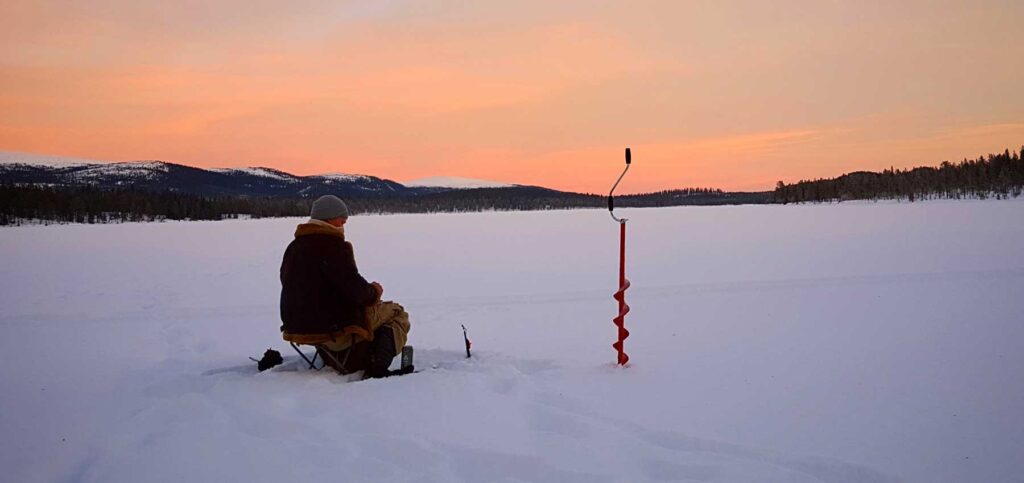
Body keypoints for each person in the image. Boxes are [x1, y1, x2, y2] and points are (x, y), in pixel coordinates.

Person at [279, 195, 411, 377]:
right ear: (328, 218)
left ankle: (342, 357)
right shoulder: (334, 247)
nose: (344, 222)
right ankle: (377, 367)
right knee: (397, 312)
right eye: (342, 218)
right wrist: (375, 291)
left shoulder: (293, 248)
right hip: (334, 328)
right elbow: (357, 291)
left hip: (299, 327)